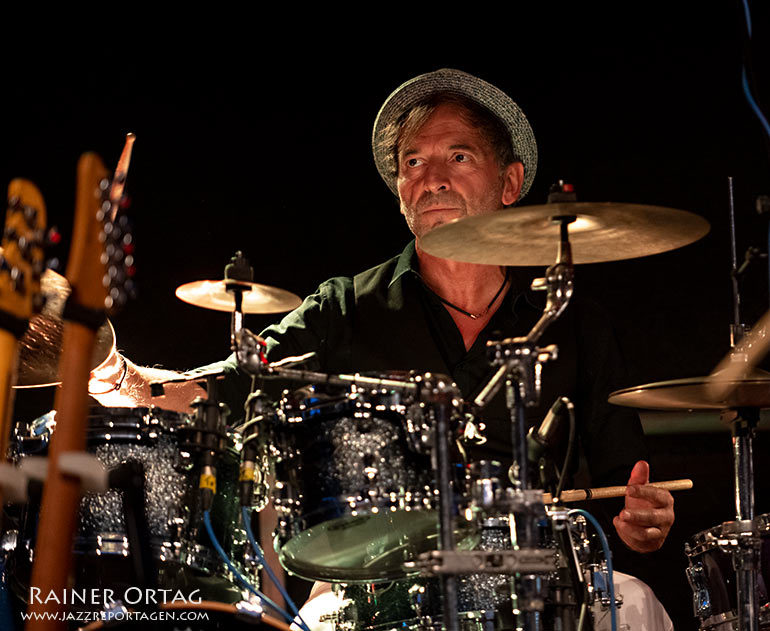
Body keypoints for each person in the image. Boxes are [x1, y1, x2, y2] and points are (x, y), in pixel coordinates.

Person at [90, 68, 675, 628]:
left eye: (458, 156)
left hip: (538, 578)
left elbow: (628, 488)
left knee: (637, 603)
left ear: (511, 183)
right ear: (400, 191)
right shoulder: (344, 308)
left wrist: (642, 521)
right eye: (413, 162)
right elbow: (233, 384)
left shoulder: (572, 321)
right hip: (371, 582)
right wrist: (124, 379)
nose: (432, 177)